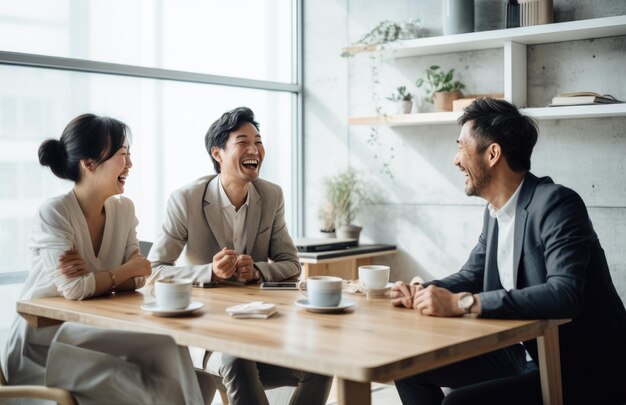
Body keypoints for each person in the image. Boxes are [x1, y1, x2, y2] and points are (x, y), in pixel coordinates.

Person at [390, 98, 626, 405]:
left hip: (585, 368)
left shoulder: (556, 204)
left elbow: (564, 295)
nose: (455, 159)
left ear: (492, 153)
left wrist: (462, 303)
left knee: (459, 402)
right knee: (408, 366)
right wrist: (420, 291)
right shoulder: (496, 212)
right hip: (526, 354)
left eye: (461, 146)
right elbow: (471, 275)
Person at [0, 114, 207, 404]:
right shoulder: (55, 213)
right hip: (44, 344)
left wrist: (104, 278)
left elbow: (138, 277)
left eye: (129, 154)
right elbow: (76, 289)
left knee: (169, 346)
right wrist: (121, 271)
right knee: (151, 389)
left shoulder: (124, 209)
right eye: (123, 155)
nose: (130, 164)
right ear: (89, 164)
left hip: (90, 328)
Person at [147, 106, 332, 405]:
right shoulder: (186, 199)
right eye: (243, 142)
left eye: (258, 141)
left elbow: (291, 265)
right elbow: (154, 271)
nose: (254, 149)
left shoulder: (271, 195)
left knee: (324, 364)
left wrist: (257, 271)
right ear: (217, 153)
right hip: (206, 333)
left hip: (258, 329)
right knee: (236, 359)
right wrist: (209, 271)